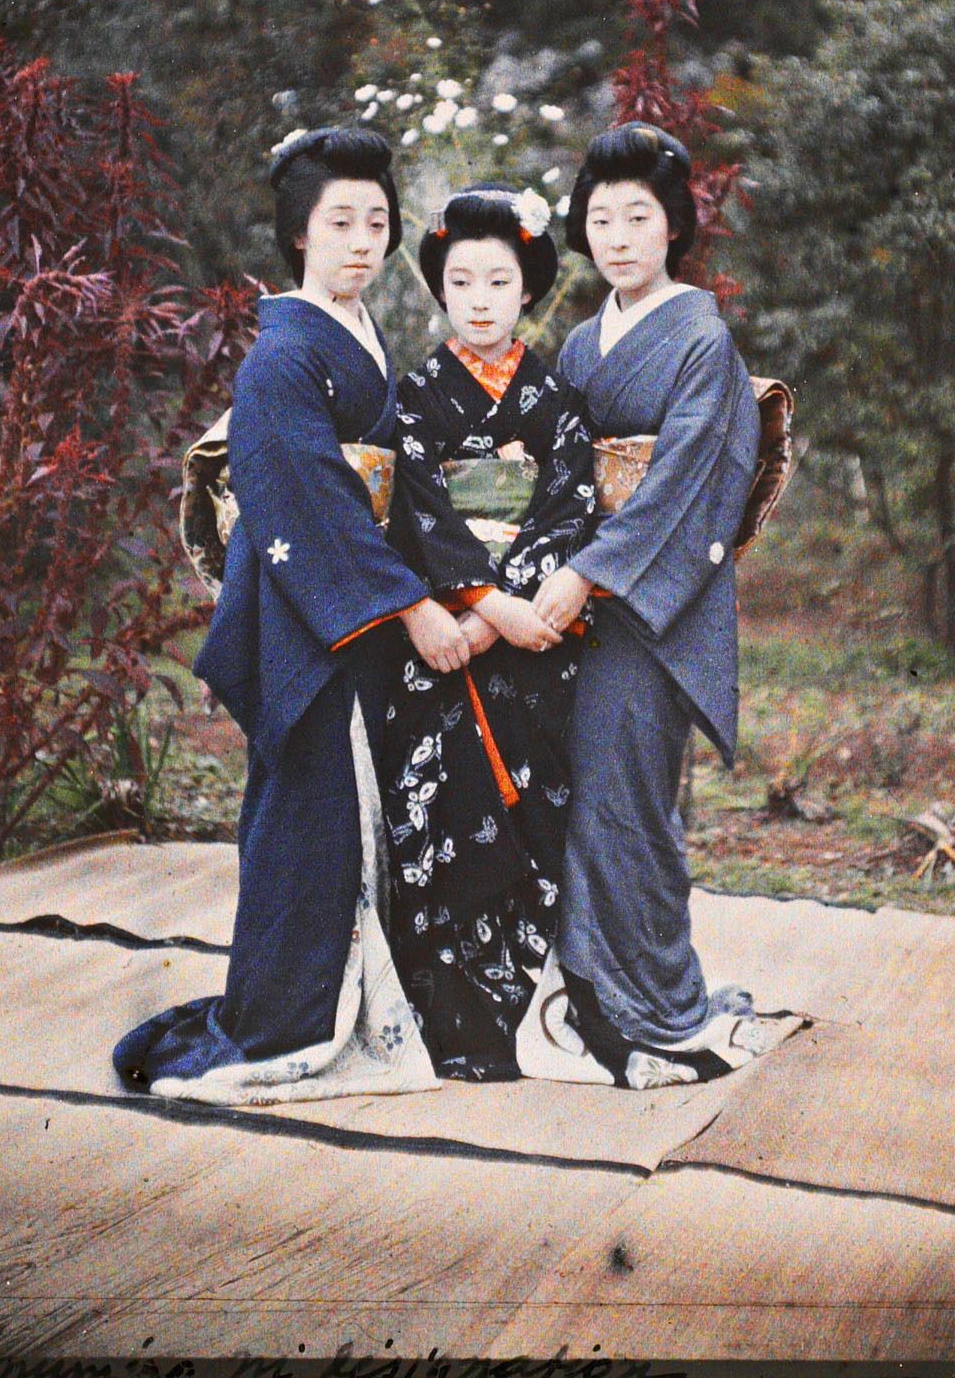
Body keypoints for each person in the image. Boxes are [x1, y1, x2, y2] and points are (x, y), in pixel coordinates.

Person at [112, 127, 470, 1104]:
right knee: (307, 822)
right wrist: (409, 606)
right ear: (298, 233)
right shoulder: (280, 356)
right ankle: (287, 1022)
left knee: (354, 817)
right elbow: (306, 492)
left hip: (349, 603)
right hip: (308, 616)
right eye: (339, 221)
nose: (362, 241)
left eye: (376, 222)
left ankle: (356, 1004)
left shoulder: (358, 336)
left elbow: (395, 476)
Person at [518, 124, 782, 1090]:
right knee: (578, 794)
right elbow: (552, 465)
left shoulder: (701, 341)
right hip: (574, 595)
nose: (619, 237)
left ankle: (656, 1005)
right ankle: (585, 992)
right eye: (600, 220)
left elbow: (684, 483)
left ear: (674, 224)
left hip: (647, 608)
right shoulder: (583, 343)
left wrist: (589, 573)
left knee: (627, 801)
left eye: (638, 217)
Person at [384, 183, 599, 1080]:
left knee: (536, 815)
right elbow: (413, 512)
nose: (479, 300)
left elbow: (570, 507)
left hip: (530, 643)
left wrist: (504, 608)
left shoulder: (556, 400)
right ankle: (448, 1024)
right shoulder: (413, 398)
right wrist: (480, 606)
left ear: (528, 289)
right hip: (443, 640)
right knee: (440, 819)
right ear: (440, 290)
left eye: (498, 281)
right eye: (461, 282)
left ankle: (521, 1016)